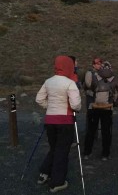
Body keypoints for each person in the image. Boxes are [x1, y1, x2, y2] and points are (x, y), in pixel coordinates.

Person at [35, 55, 81, 193]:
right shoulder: (69, 83)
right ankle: (57, 182)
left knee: (54, 148)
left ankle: (44, 173)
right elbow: (76, 104)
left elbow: (39, 99)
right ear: (69, 66)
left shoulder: (48, 81)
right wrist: (75, 109)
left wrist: (49, 107)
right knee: (62, 151)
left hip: (50, 120)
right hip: (65, 121)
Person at [84, 61, 118, 161]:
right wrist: (115, 103)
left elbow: (86, 87)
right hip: (107, 108)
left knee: (91, 131)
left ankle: (87, 153)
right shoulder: (114, 78)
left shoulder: (95, 76)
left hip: (94, 107)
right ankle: (105, 154)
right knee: (106, 132)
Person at [82, 57, 103, 159]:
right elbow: (88, 84)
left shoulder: (101, 73)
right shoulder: (89, 73)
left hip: (98, 98)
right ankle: (89, 136)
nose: (99, 65)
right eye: (97, 63)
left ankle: (96, 135)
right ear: (93, 64)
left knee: (98, 116)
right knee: (90, 117)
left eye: (100, 63)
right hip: (91, 97)